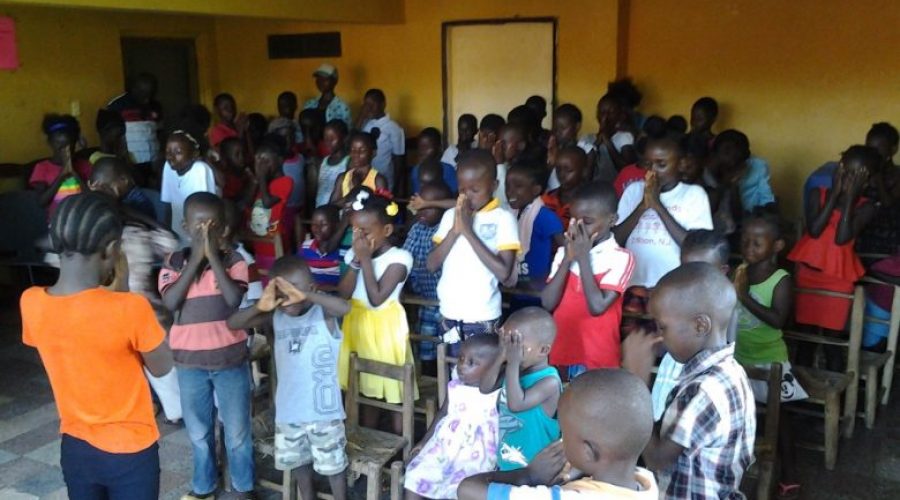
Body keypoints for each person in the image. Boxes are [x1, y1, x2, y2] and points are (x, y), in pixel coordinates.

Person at [21, 193, 174, 500]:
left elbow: (79, 338)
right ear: (112, 250)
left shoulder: (31, 301)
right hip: (131, 451)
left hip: (76, 447)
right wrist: (122, 292)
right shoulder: (131, 308)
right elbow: (162, 366)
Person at [622, 263, 755, 499]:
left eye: (663, 326)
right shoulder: (730, 371)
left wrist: (638, 380)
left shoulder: (703, 389)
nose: (660, 336)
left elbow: (657, 459)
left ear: (700, 325)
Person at [228, 257, 350, 500]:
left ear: (312, 288)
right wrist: (261, 305)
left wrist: (306, 295)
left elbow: (344, 308)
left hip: (323, 413)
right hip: (289, 411)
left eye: (293, 289)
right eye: (281, 291)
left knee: (333, 468)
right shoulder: (275, 317)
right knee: (298, 464)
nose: (288, 297)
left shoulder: (323, 313)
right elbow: (233, 323)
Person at [158, 192, 254, 500]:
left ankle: (242, 487)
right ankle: (203, 486)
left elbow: (233, 299)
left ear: (223, 229)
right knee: (199, 432)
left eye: (212, 226)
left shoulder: (235, 261)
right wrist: (195, 259)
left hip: (229, 359)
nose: (204, 232)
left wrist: (212, 257)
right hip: (189, 363)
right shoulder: (173, 261)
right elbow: (171, 300)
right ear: (186, 227)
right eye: (198, 226)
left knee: (237, 432)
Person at [459, 369, 659, 500]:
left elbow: (467, 490)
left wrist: (529, 475)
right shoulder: (646, 483)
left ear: (588, 451)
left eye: (564, 431)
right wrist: (579, 471)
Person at [88, 158, 182, 423]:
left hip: (143, 316)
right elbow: (170, 240)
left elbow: (171, 243)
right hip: (122, 318)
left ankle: (169, 407)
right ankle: (154, 405)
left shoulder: (134, 231)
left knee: (157, 358)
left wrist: (128, 213)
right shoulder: (88, 242)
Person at [733, 214, 806, 497]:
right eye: (745, 241)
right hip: (739, 356)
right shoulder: (740, 271)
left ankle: (789, 474)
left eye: (757, 243)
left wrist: (744, 296)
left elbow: (777, 320)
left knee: (780, 419)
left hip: (769, 358)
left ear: (777, 246)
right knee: (740, 412)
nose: (748, 247)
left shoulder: (781, 279)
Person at [789, 145, 879, 369]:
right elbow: (815, 230)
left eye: (856, 176)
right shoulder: (816, 195)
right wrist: (835, 195)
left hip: (838, 281)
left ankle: (833, 398)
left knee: (832, 341)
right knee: (805, 339)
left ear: (866, 182)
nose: (848, 178)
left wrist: (848, 199)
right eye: (845, 171)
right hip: (808, 275)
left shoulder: (867, 207)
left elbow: (842, 238)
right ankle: (799, 395)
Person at [615, 134, 713, 336]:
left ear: (681, 164)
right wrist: (643, 206)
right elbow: (615, 239)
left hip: (674, 290)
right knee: (632, 347)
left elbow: (694, 247)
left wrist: (657, 205)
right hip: (634, 286)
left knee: (668, 346)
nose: (652, 172)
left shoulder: (693, 195)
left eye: (661, 164)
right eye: (648, 164)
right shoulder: (633, 192)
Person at [336, 188, 414, 432]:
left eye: (365, 231)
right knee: (364, 390)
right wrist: (358, 262)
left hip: (384, 331)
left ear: (387, 231)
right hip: (356, 325)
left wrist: (366, 260)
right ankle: (364, 439)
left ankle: (402, 447)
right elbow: (343, 293)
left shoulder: (400, 258)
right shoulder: (355, 255)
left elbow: (378, 298)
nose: (358, 237)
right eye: (354, 231)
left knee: (391, 391)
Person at [427, 150, 520, 349]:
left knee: (481, 376)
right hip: (449, 312)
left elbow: (504, 273)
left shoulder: (503, 219)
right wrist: (456, 229)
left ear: (494, 186)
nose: (468, 196)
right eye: (462, 190)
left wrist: (468, 231)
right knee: (452, 373)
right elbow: (432, 264)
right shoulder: (450, 216)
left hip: (482, 316)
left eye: (475, 190)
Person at [542, 182, 634, 378]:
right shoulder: (564, 253)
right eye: (574, 220)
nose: (579, 227)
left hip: (597, 356)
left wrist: (583, 258)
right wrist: (568, 258)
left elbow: (597, 307)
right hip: (561, 349)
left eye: (588, 221)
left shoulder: (621, 257)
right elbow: (547, 302)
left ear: (612, 220)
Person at [404, 335, 502, 500]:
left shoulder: (497, 393)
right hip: (445, 447)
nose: (462, 366)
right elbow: (442, 412)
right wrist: (424, 441)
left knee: (461, 488)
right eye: (461, 358)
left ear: (495, 367)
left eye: (472, 363)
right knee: (415, 474)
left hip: (476, 455)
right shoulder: (456, 385)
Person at [650, 229, 733, 422]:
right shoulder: (677, 299)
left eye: (701, 268)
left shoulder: (726, 306)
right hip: (673, 367)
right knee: (662, 418)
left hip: (700, 372)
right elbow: (664, 341)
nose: (691, 275)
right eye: (685, 267)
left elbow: (727, 350)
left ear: (722, 272)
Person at [480, 307, 561, 471]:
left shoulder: (549, 382)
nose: (511, 350)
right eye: (507, 341)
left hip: (534, 468)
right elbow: (484, 387)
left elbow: (516, 405)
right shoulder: (513, 370)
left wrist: (513, 363)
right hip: (507, 460)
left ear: (543, 350)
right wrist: (501, 355)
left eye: (516, 345)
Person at [403, 182, 452, 373]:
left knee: (448, 351)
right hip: (426, 302)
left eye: (429, 206)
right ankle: (432, 385)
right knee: (426, 352)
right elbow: (406, 260)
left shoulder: (449, 227)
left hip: (448, 305)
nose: (422, 210)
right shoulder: (418, 228)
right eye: (420, 205)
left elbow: (460, 206)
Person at [504, 162, 564, 306]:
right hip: (515, 287)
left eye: (518, 186)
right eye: (507, 186)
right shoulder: (509, 215)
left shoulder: (544, 216)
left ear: (536, 190)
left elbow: (566, 247)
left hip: (536, 292)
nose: (510, 192)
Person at [704, 129, 776, 234]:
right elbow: (707, 212)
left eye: (737, 158)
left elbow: (738, 218)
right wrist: (725, 184)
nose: (730, 160)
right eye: (726, 152)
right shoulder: (701, 174)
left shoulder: (732, 174)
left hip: (730, 233)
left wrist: (733, 185)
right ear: (715, 152)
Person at [160, 130, 219, 244]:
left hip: (198, 231)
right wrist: (167, 231)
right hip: (177, 228)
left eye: (178, 152)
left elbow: (206, 211)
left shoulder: (200, 170)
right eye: (168, 152)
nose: (171, 157)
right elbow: (167, 202)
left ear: (194, 154)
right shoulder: (168, 167)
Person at [245, 135, 294, 272]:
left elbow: (267, 203)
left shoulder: (285, 181)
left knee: (278, 282)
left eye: (265, 161)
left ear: (279, 160)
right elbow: (246, 204)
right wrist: (255, 182)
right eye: (258, 161)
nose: (260, 166)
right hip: (259, 244)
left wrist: (261, 177)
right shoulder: (261, 184)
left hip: (276, 245)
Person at [29, 114, 93, 216]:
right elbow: (41, 202)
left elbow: (93, 198)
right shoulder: (42, 168)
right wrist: (62, 175)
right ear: (50, 143)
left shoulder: (85, 166)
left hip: (84, 219)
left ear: (74, 144)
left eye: (69, 146)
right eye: (60, 146)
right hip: (57, 223)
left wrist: (74, 173)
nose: (65, 151)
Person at [856, 122, 900, 256]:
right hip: (859, 233)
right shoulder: (862, 173)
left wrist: (878, 176)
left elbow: (888, 204)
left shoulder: (898, 175)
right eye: (868, 148)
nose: (872, 153)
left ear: (893, 150)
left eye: (877, 149)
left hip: (889, 237)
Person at [106, 72, 163, 165]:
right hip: (130, 162)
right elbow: (110, 137)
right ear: (134, 89)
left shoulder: (156, 106)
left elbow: (160, 131)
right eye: (143, 94)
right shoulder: (117, 105)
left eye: (151, 94)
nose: (147, 99)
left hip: (154, 160)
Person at [581, 92, 636, 183]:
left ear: (620, 116)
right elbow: (582, 171)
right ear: (597, 115)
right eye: (602, 112)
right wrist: (597, 143)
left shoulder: (624, 137)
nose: (605, 117)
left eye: (611, 112)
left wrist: (607, 142)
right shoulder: (586, 139)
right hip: (590, 191)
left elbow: (626, 169)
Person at [358, 88, 406, 193]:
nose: (368, 108)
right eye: (366, 105)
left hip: (384, 178)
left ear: (383, 104)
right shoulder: (365, 123)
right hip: (364, 177)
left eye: (372, 104)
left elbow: (399, 160)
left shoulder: (393, 128)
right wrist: (361, 117)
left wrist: (397, 187)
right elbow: (353, 139)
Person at [330, 129, 390, 205]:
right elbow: (331, 206)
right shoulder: (342, 178)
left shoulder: (378, 180)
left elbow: (383, 209)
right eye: (353, 150)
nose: (356, 154)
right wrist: (351, 196)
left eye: (362, 151)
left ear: (373, 153)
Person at [543, 146, 590, 233]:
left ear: (584, 172)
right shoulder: (546, 199)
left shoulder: (589, 204)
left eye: (568, 170)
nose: (561, 175)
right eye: (558, 169)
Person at [299, 204, 345, 288]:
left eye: (323, 224)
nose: (317, 229)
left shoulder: (343, 250)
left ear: (336, 225)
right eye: (314, 224)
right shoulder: (306, 246)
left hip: (335, 296)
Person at [315, 119, 350, 208]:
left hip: (337, 212)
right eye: (326, 139)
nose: (328, 143)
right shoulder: (322, 163)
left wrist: (332, 207)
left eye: (332, 139)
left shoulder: (349, 162)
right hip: (320, 210)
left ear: (345, 138)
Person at [304, 63, 352, 128]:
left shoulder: (342, 107)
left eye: (325, 79)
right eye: (318, 79)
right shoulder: (309, 104)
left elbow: (347, 130)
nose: (320, 82)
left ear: (335, 81)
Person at [411, 127, 457, 194]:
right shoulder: (416, 171)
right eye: (420, 147)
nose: (422, 151)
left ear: (439, 147)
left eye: (426, 147)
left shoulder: (448, 170)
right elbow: (417, 195)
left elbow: (455, 196)